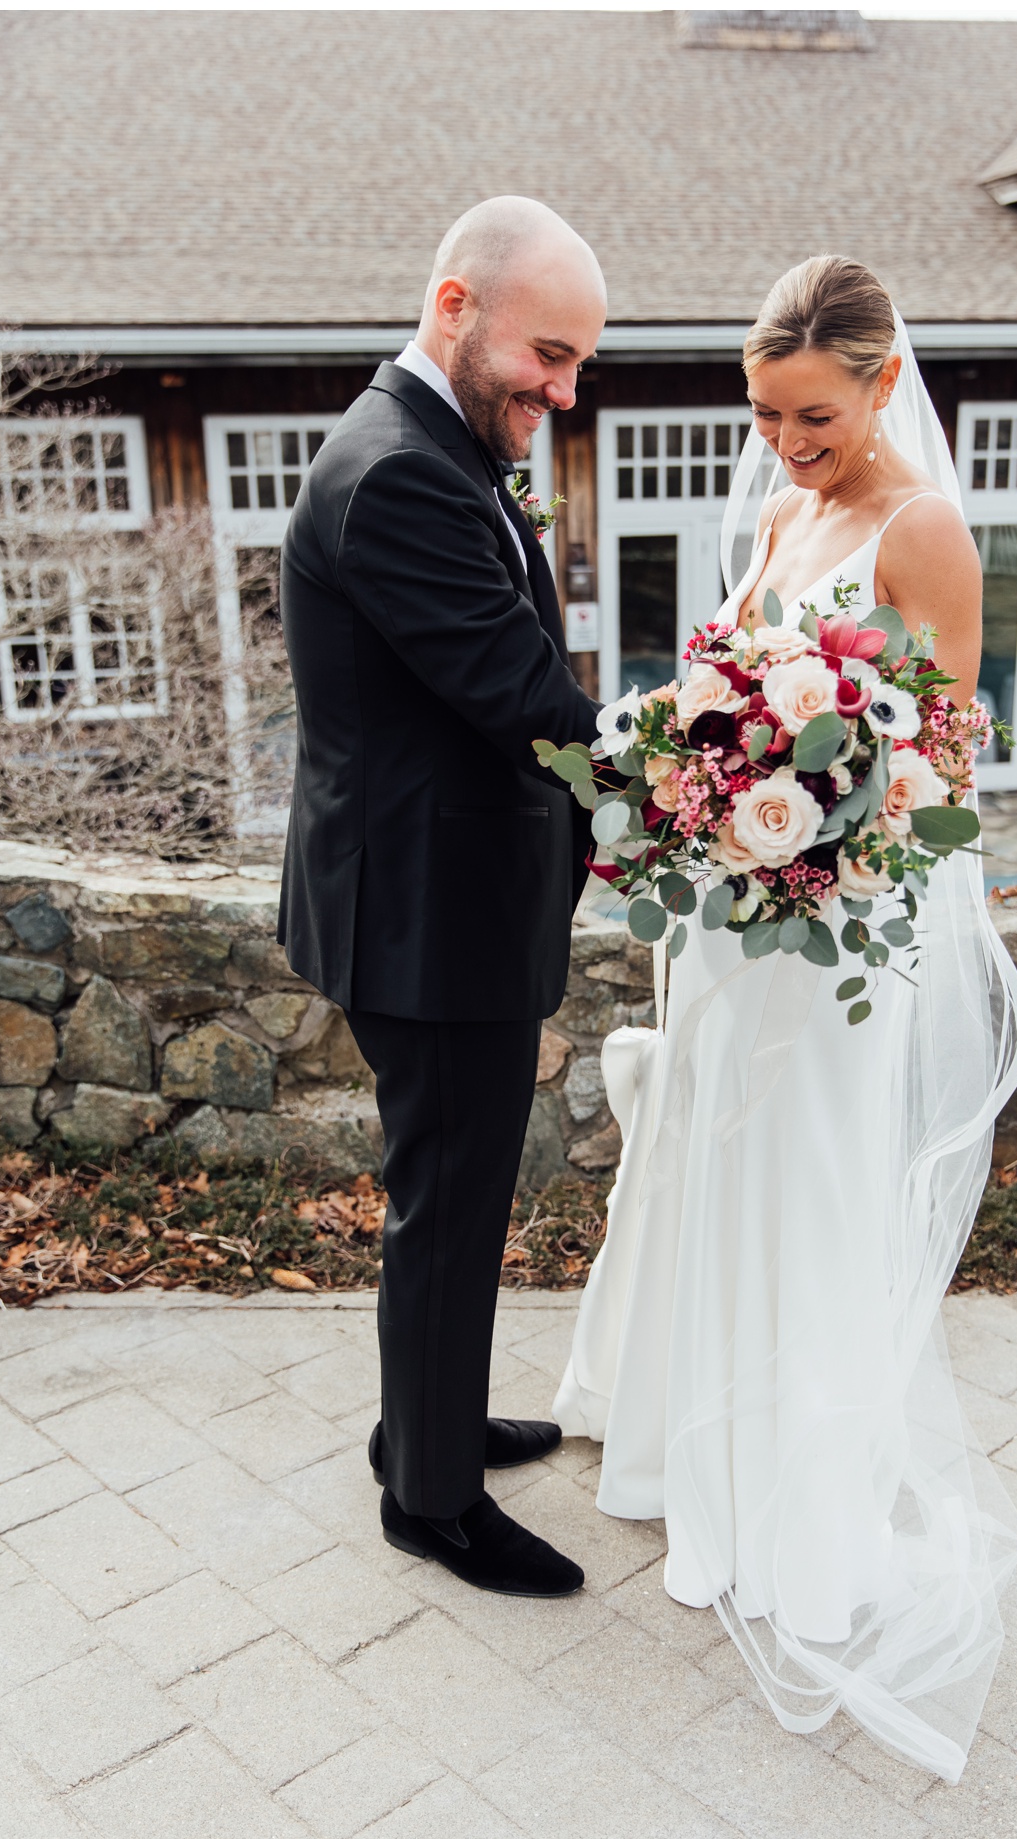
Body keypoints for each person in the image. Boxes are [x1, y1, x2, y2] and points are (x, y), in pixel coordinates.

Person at [552, 256, 1017, 1783]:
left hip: (835, 941)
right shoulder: (774, 515)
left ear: (884, 383)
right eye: (766, 415)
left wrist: (815, 832)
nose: (787, 443)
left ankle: (802, 1514)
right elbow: (726, 684)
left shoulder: (924, 530)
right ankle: (702, 1453)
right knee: (713, 1173)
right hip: (729, 926)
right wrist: (696, 777)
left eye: (814, 415)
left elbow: (948, 764)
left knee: (809, 1192)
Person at [278, 196, 606, 1598]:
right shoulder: (399, 472)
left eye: (579, 362)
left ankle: (432, 1420)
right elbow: (521, 695)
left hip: (444, 899)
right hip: (427, 919)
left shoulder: (439, 441)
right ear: (455, 304)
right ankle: (430, 1498)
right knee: (450, 1202)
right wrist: (711, 768)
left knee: (457, 1193)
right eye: (549, 354)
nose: (564, 391)